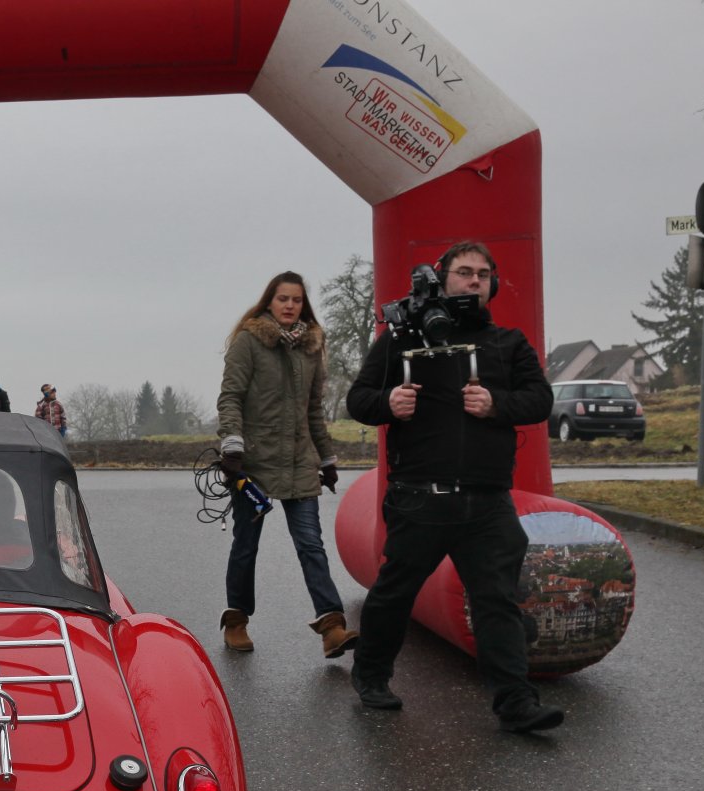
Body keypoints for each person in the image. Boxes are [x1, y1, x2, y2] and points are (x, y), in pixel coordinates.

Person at [345, 240, 560, 733]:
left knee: (496, 600)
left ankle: (515, 703)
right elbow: (359, 399)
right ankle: (371, 675)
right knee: (394, 594)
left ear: (493, 284)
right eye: (465, 272)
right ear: (443, 279)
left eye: (483, 273)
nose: (474, 280)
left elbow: (540, 400)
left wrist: (497, 405)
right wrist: (387, 403)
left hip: (487, 502)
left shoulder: (508, 344)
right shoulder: (402, 338)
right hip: (420, 497)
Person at [215, 271, 356, 658]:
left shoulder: (311, 347)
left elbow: (313, 410)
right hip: (253, 464)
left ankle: (332, 626)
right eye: (283, 299)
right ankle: (237, 620)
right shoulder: (248, 341)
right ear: (269, 302)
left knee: (311, 544)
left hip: (299, 462)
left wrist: (327, 459)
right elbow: (230, 397)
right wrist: (232, 447)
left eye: (296, 300)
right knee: (246, 545)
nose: (290, 305)